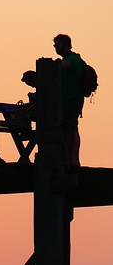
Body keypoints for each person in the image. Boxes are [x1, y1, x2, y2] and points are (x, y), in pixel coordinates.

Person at [53, 34, 84, 167]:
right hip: (67, 99)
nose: (56, 48)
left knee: (68, 129)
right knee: (72, 129)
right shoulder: (67, 58)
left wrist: (50, 65)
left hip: (72, 99)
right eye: (55, 45)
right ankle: (73, 160)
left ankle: (70, 159)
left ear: (67, 45)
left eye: (59, 45)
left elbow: (63, 66)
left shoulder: (73, 58)